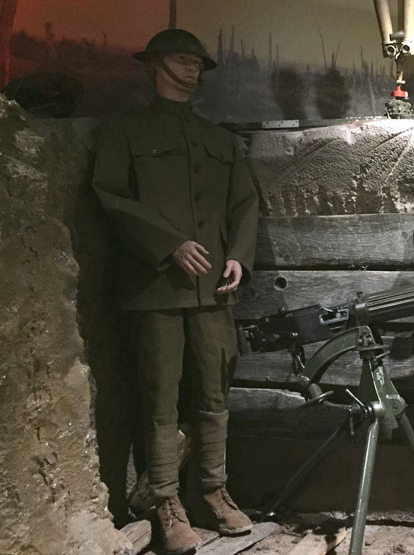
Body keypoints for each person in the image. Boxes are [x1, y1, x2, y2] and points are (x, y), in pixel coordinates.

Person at [93, 28, 259, 555]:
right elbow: (111, 196)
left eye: (198, 64)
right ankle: (166, 502)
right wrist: (168, 245)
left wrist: (238, 256)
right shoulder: (123, 132)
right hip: (154, 287)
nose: (193, 71)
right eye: (184, 61)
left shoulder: (220, 140)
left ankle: (214, 490)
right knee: (159, 396)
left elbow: (244, 203)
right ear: (155, 66)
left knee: (214, 391)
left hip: (212, 289)